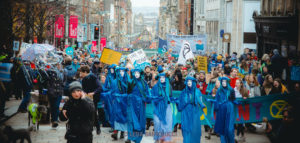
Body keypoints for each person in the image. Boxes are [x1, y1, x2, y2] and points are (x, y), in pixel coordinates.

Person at [175, 76, 205, 143]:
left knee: (194, 129)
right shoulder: (184, 92)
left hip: (194, 112)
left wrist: (202, 104)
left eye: (190, 81)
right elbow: (180, 104)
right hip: (185, 112)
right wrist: (177, 102)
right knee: (186, 128)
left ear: (193, 82)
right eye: (188, 81)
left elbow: (200, 101)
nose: (189, 82)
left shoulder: (197, 91)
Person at [126, 69, 151, 143]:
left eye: (138, 73)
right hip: (132, 104)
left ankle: (137, 138)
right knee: (131, 120)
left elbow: (147, 93)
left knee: (140, 120)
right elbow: (128, 92)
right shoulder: (131, 82)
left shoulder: (144, 83)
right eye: (135, 73)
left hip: (140, 105)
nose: (136, 74)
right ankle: (130, 137)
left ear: (140, 74)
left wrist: (145, 98)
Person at [210, 77, 236, 143]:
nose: (224, 83)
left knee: (229, 128)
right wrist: (213, 103)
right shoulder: (219, 90)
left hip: (229, 110)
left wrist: (236, 102)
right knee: (222, 127)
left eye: (225, 81)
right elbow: (217, 99)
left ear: (227, 82)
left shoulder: (231, 90)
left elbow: (233, 99)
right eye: (222, 81)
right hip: (221, 110)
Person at [79, 65, 102, 135]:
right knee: (87, 112)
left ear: (85, 72)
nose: (80, 74)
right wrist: (84, 93)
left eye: (81, 73)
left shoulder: (93, 77)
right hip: (87, 98)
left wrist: (93, 93)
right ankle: (90, 128)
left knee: (94, 113)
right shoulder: (83, 79)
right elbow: (83, 88)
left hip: (94, 98)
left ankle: (98, 128)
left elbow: (99, 87)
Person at [151, 73, 173, 143]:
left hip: (167, 107)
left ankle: (164, 139)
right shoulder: (155, 87)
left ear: (165, 78)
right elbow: (152, 96)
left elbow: (171, 96)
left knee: (167, 124)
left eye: (163, 77)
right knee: (157, 123)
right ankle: (157, 138)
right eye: (160, 78)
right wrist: (157, 99)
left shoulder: (169, 86)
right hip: (158, 107)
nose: (162, 79)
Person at [111, 67, 130, 140]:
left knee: (126, 117)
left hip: (126, 102)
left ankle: (125, 135)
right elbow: (112, 92)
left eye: (123, 71)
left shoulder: (129, 81)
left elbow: (131, 92)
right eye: (120, 71)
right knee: (117, 116)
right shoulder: (115, 81)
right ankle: (116, 133)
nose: (121, 72)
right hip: (118, 102)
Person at [46, 63, 63, 128]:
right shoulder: (49, 72)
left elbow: (64, 80)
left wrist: (61, 86)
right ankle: (53, 120)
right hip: (51, 92)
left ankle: (55, 120)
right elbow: (47, 81)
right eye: (57, 65)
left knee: (56, 106)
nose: (59, 66)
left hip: (59, 92)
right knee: (52, 106)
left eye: (59, 65)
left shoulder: (62, 72)